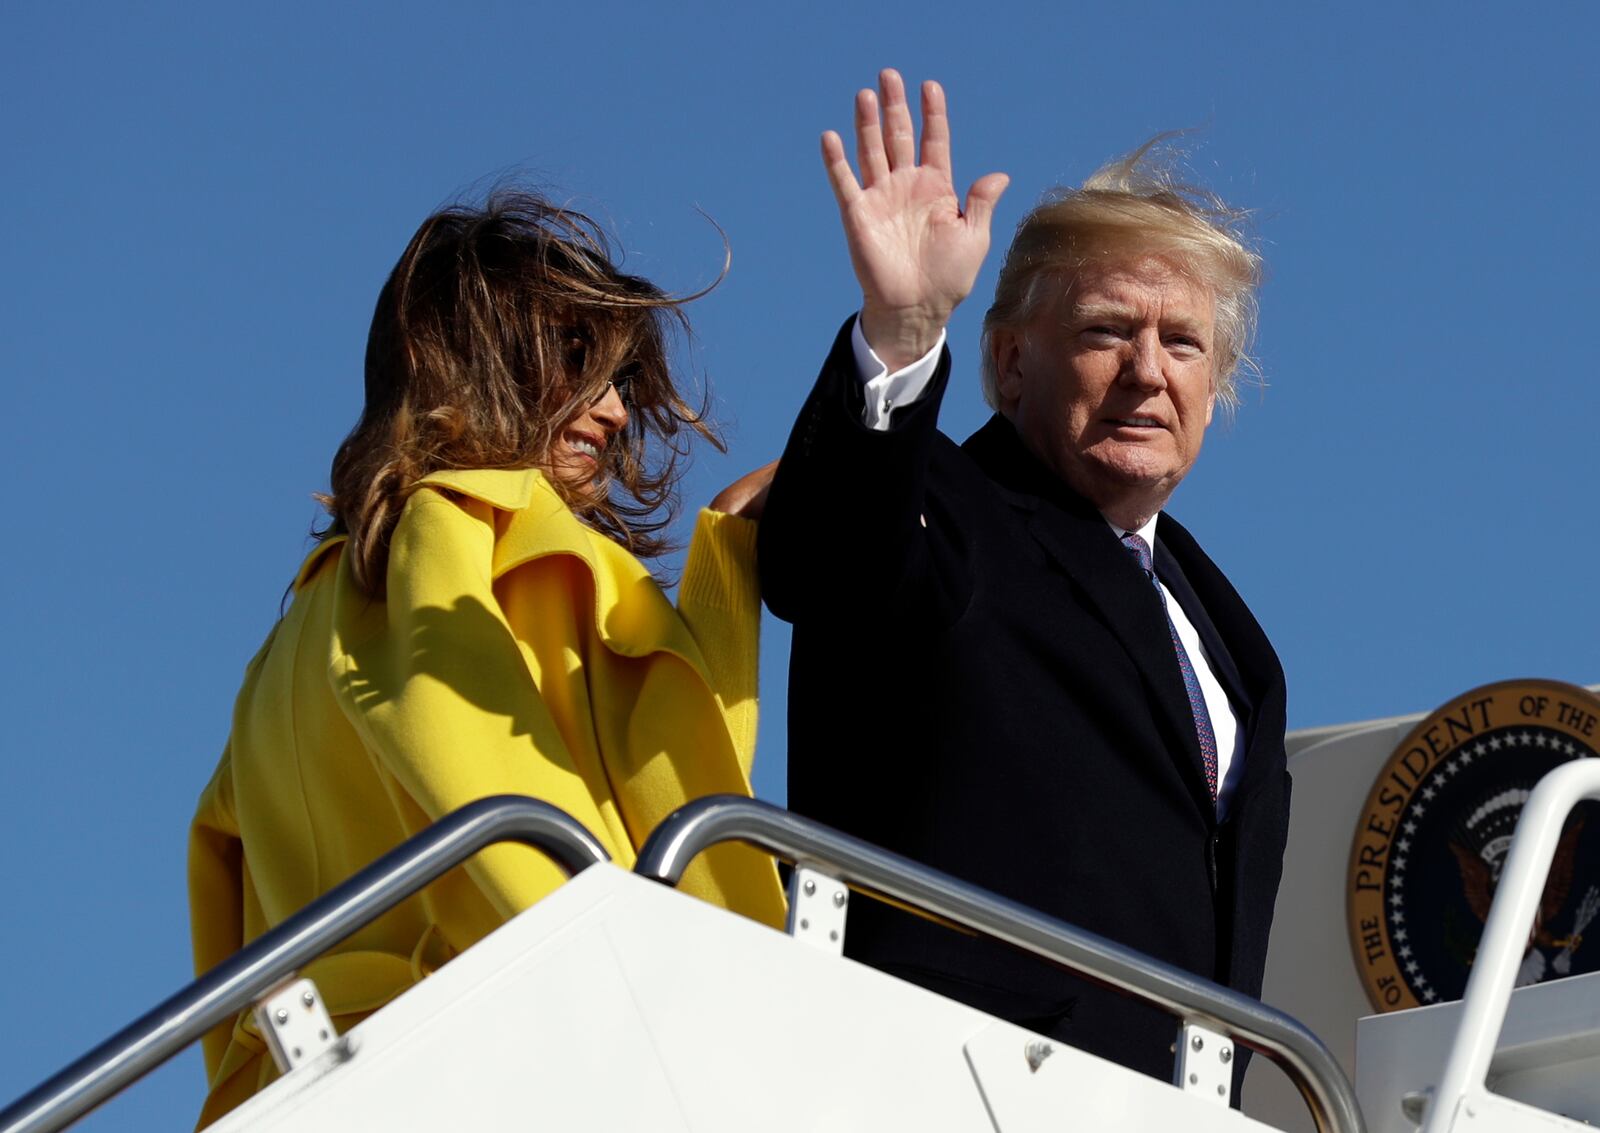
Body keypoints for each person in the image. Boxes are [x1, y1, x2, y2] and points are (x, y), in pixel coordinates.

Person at [188, 191, 786, 1126]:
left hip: (322, 1084)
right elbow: (648, 778)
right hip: (524, 1052)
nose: (617, 412)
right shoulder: (483, 531)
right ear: (482, 360)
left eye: (623, 382)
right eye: (582, 367)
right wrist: (642, 1002)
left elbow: (228, 910)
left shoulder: (287, 645)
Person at [759, 71, 1290, 1093]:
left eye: (1182, 342)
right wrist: (905, 334)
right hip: (947, 1081)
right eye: (1104, 331)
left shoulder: (1231, 638)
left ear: (1214, 391)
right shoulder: (944, 510)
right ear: (1007, 364)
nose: (1147, 370)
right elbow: (824, 558)